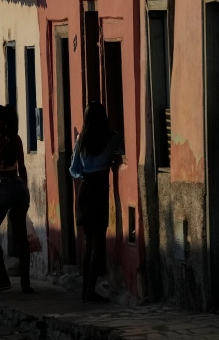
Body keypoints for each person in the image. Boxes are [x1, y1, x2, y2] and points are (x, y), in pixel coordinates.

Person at [69, 102, 123, 303]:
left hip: (85, 189)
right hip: (100, 190)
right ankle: (90, 292)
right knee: (97, 243)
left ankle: (85, 291)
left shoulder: (81, 141)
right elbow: (121, 151)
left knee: (88, 243)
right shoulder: (112, 138)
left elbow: (74, 170)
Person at [0, 104, 32, 294]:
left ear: (0, 122)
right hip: (19, 187)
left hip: (3, 188)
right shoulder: (17, 139)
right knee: (21, 237)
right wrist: (24, 188)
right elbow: (22, 167)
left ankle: (3, 278)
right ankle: (26, 283)